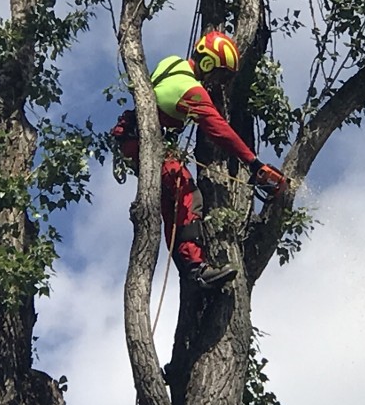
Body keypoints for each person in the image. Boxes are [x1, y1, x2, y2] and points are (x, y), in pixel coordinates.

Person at [111, 31, 286, 288]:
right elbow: (219, 130)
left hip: (133, 140)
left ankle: (189, 267)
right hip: (145, 145)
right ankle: (195, 266)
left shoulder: (172, 63)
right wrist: (254, 164)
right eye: (218, 74)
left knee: (171, 202)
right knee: (188, 193)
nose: (218, 82)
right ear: (206, 64)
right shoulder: (191, 91)